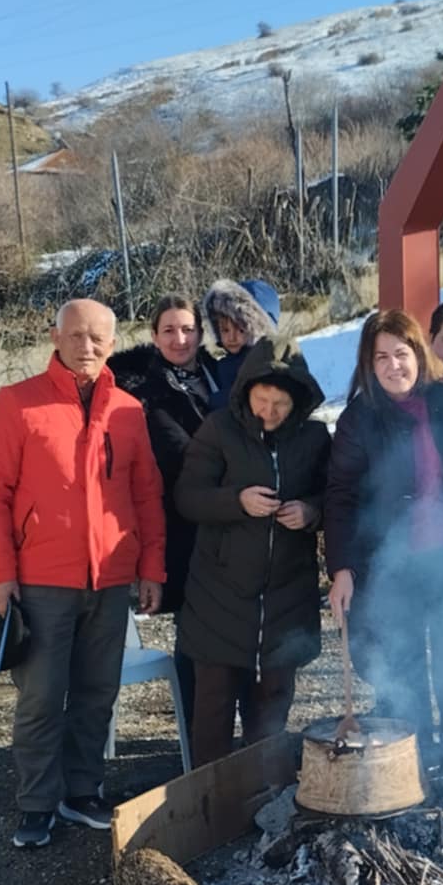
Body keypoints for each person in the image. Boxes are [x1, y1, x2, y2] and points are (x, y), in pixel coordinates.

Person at [0, 299, 165, 848]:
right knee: (42, 698)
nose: (86, 347)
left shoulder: (127, 410)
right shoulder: (18, 403)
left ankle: (83, 792)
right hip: (41, 580)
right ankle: (36, 803)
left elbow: (146, 495)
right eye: (76, 335)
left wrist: (150, 567)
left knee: (97, 694)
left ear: (113, 344)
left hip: (111, 579)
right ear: (55, 337)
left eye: (98, 338)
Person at [324, 309, 443, 807]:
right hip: (391, 563)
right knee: (402, 670)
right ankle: (409, 767)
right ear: (368, 365)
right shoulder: (359, 418)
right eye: (382, 358)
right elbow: (340, 495)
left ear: (419, 353)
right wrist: (342, 568)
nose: (394, 366)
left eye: (401, 353)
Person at [173, 335, 330, 767]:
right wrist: (236, 501)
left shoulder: (315, 437)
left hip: (287, 594)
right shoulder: (218, 430)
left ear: (298, 401)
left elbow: (332, 495)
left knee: (273, 702)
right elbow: (188, 497)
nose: (270, 412)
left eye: (280, 404)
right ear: (246, 392)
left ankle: (264, 788)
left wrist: (310, 511)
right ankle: (209, 793)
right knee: (214, 704)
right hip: (219, 594)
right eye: (262, 401)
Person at [111, 293, 222, 732]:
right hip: (181, 529)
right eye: (170, 330)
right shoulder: (139, 392)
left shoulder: (221, 376)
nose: (180, 339)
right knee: (194, 637)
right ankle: (199, 741)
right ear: (154, 335)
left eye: (188, 329)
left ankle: (234, 739)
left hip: (231, 525)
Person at [202, 278, 280, 407]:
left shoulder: (265, 363)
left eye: (241, 330)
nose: (232, 337)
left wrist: (215, 402)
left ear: (259, 329)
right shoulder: (223, 363)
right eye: (225, 330)